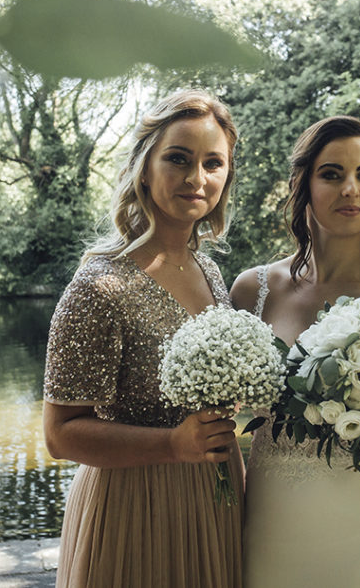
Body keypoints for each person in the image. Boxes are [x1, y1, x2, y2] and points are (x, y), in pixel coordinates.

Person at [42, 90, 243, 588]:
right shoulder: (100, 285)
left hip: (214, 501)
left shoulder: (211, 273)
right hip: (134, 509)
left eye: (212, 163)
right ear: (145, 167)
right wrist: (174, 444)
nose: (197, 178)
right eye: (178, 159)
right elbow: (59, 435)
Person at [232, 115, 360, 588]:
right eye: (333, 174)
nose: (351, 189)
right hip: (272, 525)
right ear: (303, 184)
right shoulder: (252, 291)